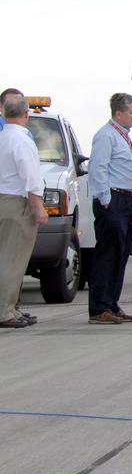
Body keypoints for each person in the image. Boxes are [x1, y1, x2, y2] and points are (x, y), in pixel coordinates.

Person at [86, 92, 132, 324]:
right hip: (114, 200)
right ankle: (99, 308)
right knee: (108, 254)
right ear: (118, 112)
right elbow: (97, 168)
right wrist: (106, 200)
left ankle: (111, 302)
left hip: (128, 200)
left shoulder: (124, 137)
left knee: (120, 254)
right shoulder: (106, 136)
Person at [0, 92, 47, 329]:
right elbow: (31, 177)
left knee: (5, 256)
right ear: (26, 115)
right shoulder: (22, 140)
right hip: (16, 203)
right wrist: (38, 208)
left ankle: (11, 308)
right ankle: (5, 311)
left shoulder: (2, 137)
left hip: (3, 200)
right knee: (13, 259)